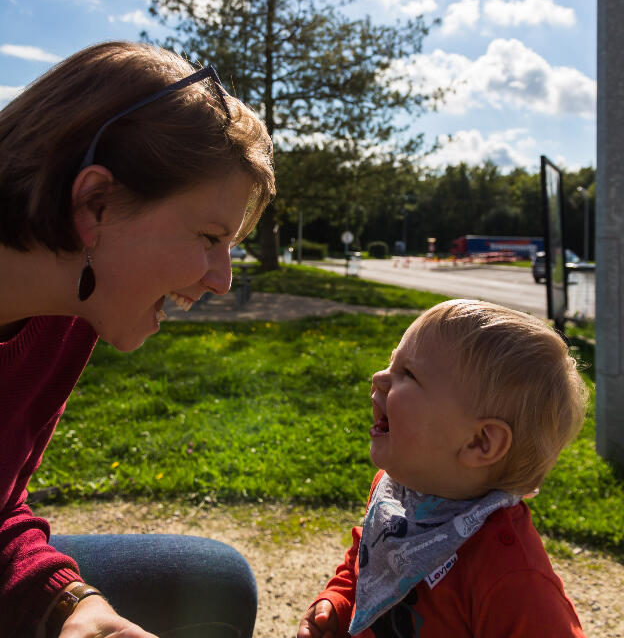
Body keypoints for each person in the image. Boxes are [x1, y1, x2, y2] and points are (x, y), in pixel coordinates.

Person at [0, 41, 275, 638]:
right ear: (94, 204)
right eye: (208, 235)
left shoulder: (68, 315)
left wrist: (73, 605)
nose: (222, 279)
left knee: (216, 583)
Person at [298, 299, 588, 638]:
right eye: (392, 362)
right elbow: (367, 562)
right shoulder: (398, 491)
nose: (378, 378)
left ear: (480, 442)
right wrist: (338, 602)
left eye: (407, 374)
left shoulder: (511, 579)